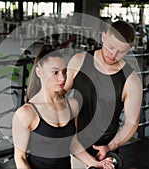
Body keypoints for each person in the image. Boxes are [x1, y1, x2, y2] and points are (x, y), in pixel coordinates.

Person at [12, 45, 114, 169]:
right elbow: (20, 158)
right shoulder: (26, 113)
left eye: (64, 72)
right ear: (39, 72)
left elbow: (73, 144)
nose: (62, 78)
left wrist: (96, 163)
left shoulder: (72, 105)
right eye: (55, 72)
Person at [64, 20, 142, 160]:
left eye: (121, 51)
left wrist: (110, 146)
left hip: (104, 150)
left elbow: (131, 123)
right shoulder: (79, 60)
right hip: (74, 144)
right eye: (111, 47)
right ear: (103, 37)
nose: (113, 54)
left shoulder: (131, 81)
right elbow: (59, 94)